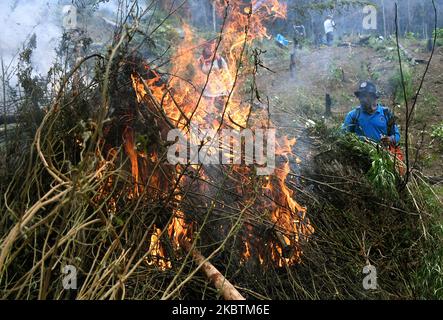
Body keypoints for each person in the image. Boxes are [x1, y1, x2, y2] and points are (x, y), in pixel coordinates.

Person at [342, 81, 400, 147]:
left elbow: (397, 135)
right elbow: (343, 136)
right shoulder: (353, 115)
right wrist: (359, 140)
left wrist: (390, 139)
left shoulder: (386, 113)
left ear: (374, 97)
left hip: (382, 155)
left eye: (365, 96)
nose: (362, 99)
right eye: (360, 96)